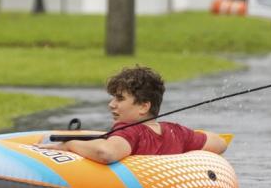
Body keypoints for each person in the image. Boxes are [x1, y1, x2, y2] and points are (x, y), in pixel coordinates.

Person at [40, 65, 228, 164]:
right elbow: (219, 143)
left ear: (144, 107)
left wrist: (70, 144)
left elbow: (106, 153)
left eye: (119, 99)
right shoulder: (176, 132)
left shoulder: (129, 131)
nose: (111, 105)